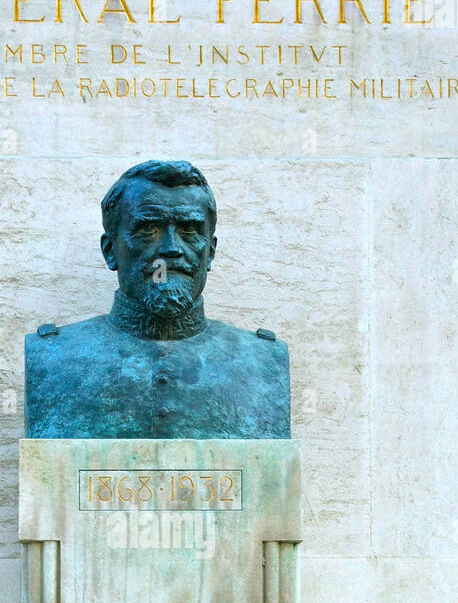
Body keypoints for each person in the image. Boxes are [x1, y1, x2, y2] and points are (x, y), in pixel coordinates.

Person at [24, 159, 290, 438]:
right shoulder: (52, 356)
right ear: (110, 251)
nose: (171, 249)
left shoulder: (264, 360)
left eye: (189, 230)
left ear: (210, 252)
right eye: (148, 230)